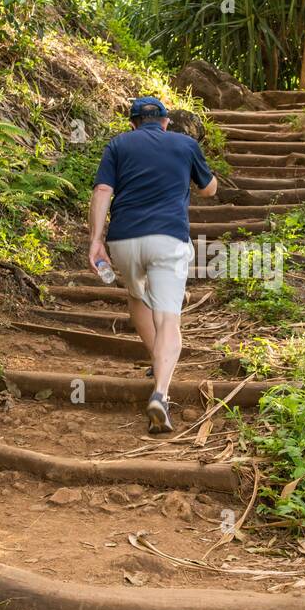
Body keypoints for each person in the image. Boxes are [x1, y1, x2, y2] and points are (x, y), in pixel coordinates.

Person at [88, 96, 217, 432]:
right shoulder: (185, 144)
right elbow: (209, 190)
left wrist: (95, 240)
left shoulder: (118, 144)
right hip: (168, 239)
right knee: (168, 318)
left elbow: (103, 190)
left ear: (133, 123)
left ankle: (155, 360)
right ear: (164, 122)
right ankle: (160, 392)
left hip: (124, 240)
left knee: (136, 296)